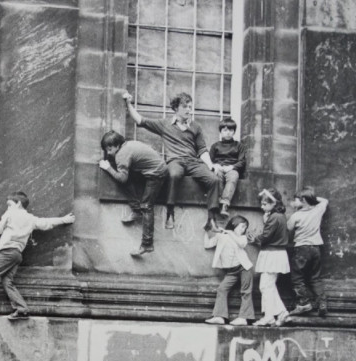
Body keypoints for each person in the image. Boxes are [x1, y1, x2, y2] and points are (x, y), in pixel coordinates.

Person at [0, 191, 75, 321]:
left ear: (18, 203)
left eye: (9, 204)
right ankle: (21, 309)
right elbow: (46, 223)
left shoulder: (10, 213)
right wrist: (64, 220)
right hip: (17, 254)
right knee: (7, 282)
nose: (7, 208)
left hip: (6, 252)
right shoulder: (31, 218)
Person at [124, 91, 223, 229]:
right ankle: (170, 212)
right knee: (173, 175)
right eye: (185, 107)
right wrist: (128, 104)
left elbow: (202, 150)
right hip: (175, 161)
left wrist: (211, 165)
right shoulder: (165, 124)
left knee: (214, 180)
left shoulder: (196, 127)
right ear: (176, 108)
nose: (189, 110)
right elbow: (140, 120)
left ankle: (211, 220)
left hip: (193, 162)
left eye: (190, 106)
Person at [98, 130, 167, 257]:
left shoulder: (121, 155)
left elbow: (122, 178)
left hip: (157, 173)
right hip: (150, 169)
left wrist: (108, 168)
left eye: (109, 149)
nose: (108, 153)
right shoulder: (128, 145)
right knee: (126, 180)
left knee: (146, 206)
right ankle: (136, 210)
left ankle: (147, 245)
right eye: (106, 150)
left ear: (117, 145)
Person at [249, 189, 291, 327]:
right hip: (276, 254)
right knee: (269, 286)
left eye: (264, 204)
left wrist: (254, 238)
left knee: (265, 286)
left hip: (272, 254)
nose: (262, 207)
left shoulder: (274, 217)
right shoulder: (280, 216)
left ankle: (269, 316)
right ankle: (281, 312)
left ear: (273, 203)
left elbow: (266, 236)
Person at [204, 215, 254, 326]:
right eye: (242, 226)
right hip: (231, 271)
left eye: (245, 227)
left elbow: (242, 244)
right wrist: (207, 231)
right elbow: (208, 244)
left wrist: (230, 232)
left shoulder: (242, 238)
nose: (244, 229)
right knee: (222, 289)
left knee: (246, 291)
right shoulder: (221, 236)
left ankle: (244, 318)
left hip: (244, 267)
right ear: (234, 224)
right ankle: (220, 316)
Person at [287, 187, 330, 317]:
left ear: (303, 200)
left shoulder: (296, 215)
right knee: (315, 278)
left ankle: (304, 303)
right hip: (316, 248)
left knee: (297, 278)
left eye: (297, 199)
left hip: (302, 249)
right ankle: (322, 303)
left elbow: (288, 229)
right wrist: (310, 198)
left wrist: (300, 203)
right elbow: (325, 200)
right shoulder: (318, 210)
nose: (294, 202)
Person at [209, 116, 246, 220]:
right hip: (219, 168)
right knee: (217, 177)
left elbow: (242, 161)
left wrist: (232, 167)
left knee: (233, 177)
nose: (228, 132)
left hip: (232, 169)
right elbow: (209, 161)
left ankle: (225, 204)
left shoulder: (239, 146)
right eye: (225, 130)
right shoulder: (215, 146)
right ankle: (218, 203)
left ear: (234, 131)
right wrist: (215, 166)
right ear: (221, 131)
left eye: (231, 130)